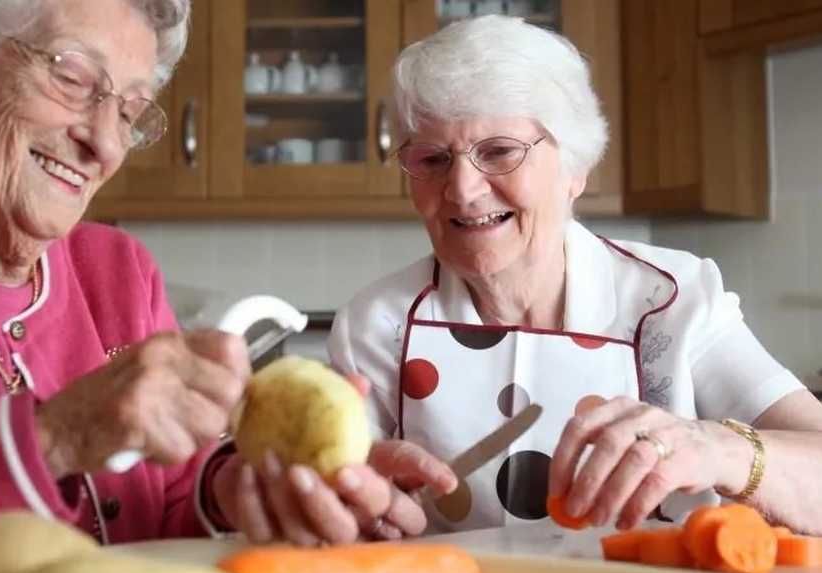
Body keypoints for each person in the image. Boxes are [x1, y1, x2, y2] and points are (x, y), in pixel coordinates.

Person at [0, 1, 453, 573]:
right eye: (72, 77)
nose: (105, 141)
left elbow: (164, 502)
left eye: (130, 109)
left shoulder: (116, 269)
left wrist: (253, 487)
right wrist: (58, 437)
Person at [329, 15, 822, 538]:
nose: (463, 190)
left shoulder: (672, 300)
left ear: (575, 167)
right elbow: (329, 501)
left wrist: (721, 449)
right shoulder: (378, 323)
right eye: (432, 158)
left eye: (498, 151)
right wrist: (352, 502)